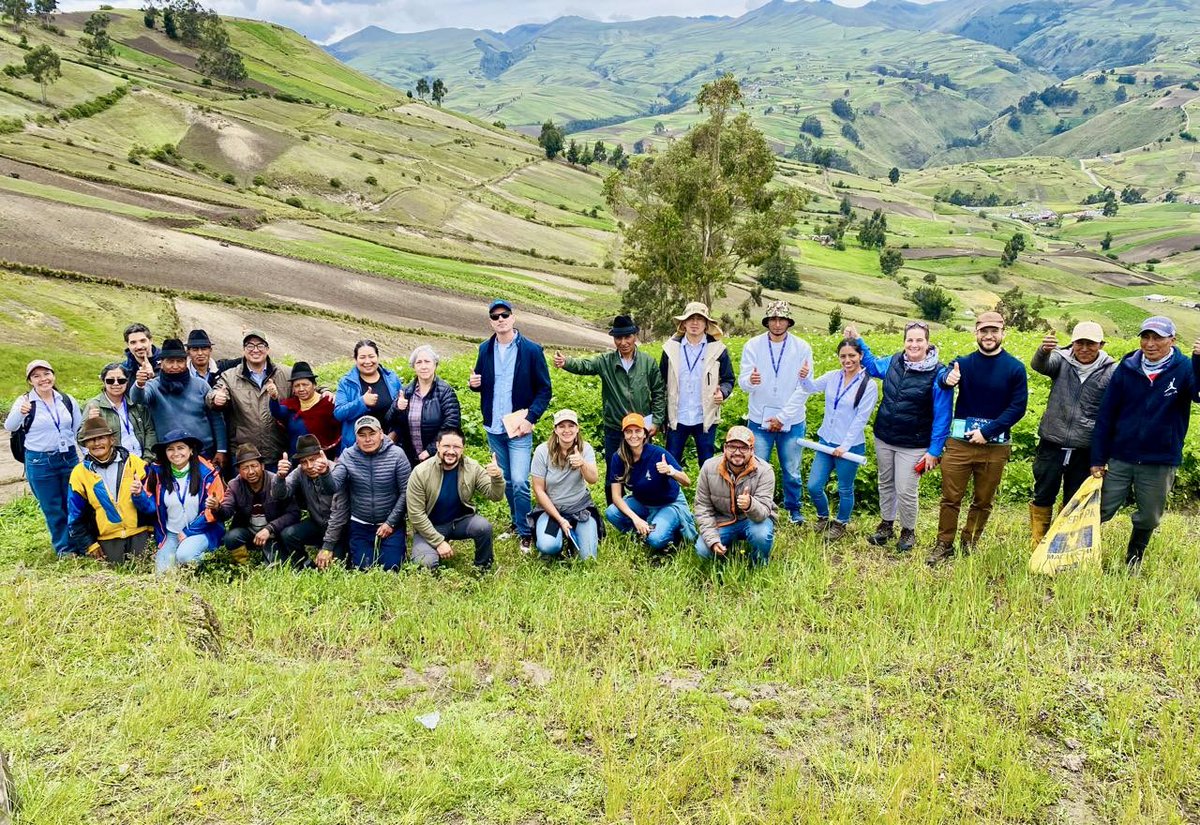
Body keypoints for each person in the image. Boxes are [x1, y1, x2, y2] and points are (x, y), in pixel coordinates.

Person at [1090, 317, 1200, 567]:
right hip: (1120, 455)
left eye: (1158, 338)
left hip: (1159, 459)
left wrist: (1199, 362)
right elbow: (1106, 414)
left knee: (1149, 516)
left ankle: (1134, 558)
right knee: (1100, 509)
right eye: (1146, 337)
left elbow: (1199, 395)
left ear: (1172, 340)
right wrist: (1097, 457)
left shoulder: (1184, 368)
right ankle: (1081, 553)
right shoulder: (1127, 367)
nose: (1150, 344)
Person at [929, 311, 1028, 564]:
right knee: (950, 498)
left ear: (1003, 333)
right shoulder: (964, 363)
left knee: (983, 500)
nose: (989, 336)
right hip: (959, 444)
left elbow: (1018, 407)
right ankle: (944, 543)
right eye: (984, 331)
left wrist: (988, 431)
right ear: (976, 333)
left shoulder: (1014, 368)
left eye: (994, 331)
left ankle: (969, 541)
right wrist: (947, 378)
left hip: (994, 447)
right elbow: (943, 379)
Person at [847, 322, 951, 552]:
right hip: (884, 437)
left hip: (914, 444)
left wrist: (934, 450)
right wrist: (859, 340)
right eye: (910, 340)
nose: (914, 345)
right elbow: (873, 366)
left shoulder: (938, 373)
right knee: (886, 483)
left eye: (919, 340)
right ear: (904, 341)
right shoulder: (895, 361)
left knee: (905, 489)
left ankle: (908, 530)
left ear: (927, 343)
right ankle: (886, 524)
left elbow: (943, 416)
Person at [468, 300, 552, 552]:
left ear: (513, 318)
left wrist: (531, 419)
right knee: (504, 480)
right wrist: (475, 384)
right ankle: (517, 524)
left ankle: (526, 531)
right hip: (494, 427)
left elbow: (545, 390)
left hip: (518, 428)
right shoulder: (485, 349)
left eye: (505, 315)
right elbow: (483, 383)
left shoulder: (531, 350)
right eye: (495, 317)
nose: (500, 319)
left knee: (519, 481)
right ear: (491, 322)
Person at [1029, 321, 1116, 547]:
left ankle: (1060, 544)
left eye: (1091, 344)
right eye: (1080, 343)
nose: (1085, 348)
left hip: (1085, 447)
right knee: (1043, 494)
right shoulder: (1061, 360)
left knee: (1073, 500)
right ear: (1073, 343)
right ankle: (1038, 542)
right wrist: (1043, 351)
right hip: (1052, 441)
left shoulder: (1111, 371)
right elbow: (1040, 365)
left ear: (1101, 344)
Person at [552, 315, 666, 484]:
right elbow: (585, 366)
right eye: (618, 338)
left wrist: (656, 421)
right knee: (614, 472)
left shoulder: (648, 362)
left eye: (627, 337)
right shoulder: (606, 361)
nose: (623, 342)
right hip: (615, 427)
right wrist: (566, 362)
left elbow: (658, 392)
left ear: (635, 336)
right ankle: (614, 507)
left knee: (642, 470)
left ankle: (640, 505)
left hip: (639, 428)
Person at [788, 339, 878, 540]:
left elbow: (861, 419)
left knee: (845, 488)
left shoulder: (868, 385)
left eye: (852, 356)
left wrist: (844, 446)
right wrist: (804, 377)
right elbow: (810, 387)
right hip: (826, 441)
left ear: (860, 356)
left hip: (850, 446)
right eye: (843, 356)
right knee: (813, 485)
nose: (847, 360)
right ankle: (823, 517)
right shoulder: (832, 377)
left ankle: (840, 523)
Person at [737, 301, 813, 524]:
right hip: (759, 419)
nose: (778, 324)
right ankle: (760, 508)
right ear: (767, 321)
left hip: (792, 420)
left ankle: (794, 509)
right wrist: (750, 381)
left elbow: (805, 387)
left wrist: (782, 417)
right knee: (756, 468)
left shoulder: (802, 348)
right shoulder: (753, 345)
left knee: (792, 470)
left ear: (789, 322)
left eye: (782, 320)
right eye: (773, 320)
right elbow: (743, 382)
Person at [5, 360, 82, 556]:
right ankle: (65, 549)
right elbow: (10, 427)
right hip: (40, 461)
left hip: (68, 458)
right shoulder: (24, 402)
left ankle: (81, 543)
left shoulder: (66, 400)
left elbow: (77, 430)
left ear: (53, 376)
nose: (43, 379)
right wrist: (20, 413)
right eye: (36, 376)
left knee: (74, 503)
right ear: (30, 381)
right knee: (52, 507)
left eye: (46, 374)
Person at [318, 415, 411, 571]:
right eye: (362, 435)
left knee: (392, 567)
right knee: (363, 568)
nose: (368, 439)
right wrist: (324, 473)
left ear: (381, 434)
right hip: (360, 524)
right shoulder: (348, 455)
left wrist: (391, 522)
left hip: (390, 525)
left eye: (372, 434)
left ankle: (397, 547)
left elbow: (406, 492)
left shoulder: (397, 455)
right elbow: (331, 487)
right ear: (356, 438)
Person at [407, 427, 506, 571]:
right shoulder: (421, 472)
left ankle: (483, 569)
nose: (451, 451)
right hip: (430, 525)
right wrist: (439, 542)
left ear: (463, 448)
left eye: (456, 447)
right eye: (446, 446)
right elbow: (416, 515)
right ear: (437, 446)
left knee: (483, 527)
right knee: (425, 563)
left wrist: (497, 478)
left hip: (459, 522)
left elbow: (495, 496)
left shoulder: (472, 467)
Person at [67, 417, 156, 563]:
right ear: (85, 445)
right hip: (106, 539)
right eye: (91, 440)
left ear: (112, 440)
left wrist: (153, 531)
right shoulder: (79, 473)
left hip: (140, 533)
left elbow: (154, 503)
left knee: (145, 570)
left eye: (101, 438)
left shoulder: (134, 463)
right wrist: (90, 545)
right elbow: (75, 515)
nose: (96, 443)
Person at [131, 338, 227, 470]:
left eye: (180, 361)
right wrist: (139, 384)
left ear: (186, 362)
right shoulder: (153, 386)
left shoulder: (201, 385)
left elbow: (216, 418)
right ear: (162, 363)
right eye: (170, 362)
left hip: (204, 452)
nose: (175, 366)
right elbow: (138, 399)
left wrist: (221, 449)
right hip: (170, 454)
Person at [605, 413, 696, 552]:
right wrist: (635, 519)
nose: (633, 435)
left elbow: (687, 481)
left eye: (638, 431)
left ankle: (672, 536)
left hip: (668, 503)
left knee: (656, 539)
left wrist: (671, 471)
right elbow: (616, 496)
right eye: (629, 431)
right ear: (623, 435)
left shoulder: (658, 453)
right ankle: (642, 534)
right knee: (612, 512)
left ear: (644, 434)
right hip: (642, 502)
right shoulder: (618, 458)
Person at [659, 302, 734, 468]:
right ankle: (671, 494)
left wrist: (723, 392)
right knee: (670, 462)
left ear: (707, 324)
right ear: (683, 323)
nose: (694, 323)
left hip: (705, 417)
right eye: (690, 319)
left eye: (699, 319)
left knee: (707, 464)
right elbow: (661, 382)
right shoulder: (670, 349)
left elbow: (729, 379)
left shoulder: (718, 349)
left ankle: (706, 495)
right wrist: (661, 416)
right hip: (677, 416)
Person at [146, 429, 226, 574]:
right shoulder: (157, 474)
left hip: (202, 530)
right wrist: (138, 495)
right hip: (171, 532)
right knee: (161, 573)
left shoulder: (208, 473)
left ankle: (210, 560)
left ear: (191, 451)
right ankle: (180, 564)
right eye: (170, 449)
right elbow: (150, 507)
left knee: (185, 556)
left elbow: (211, 511)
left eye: (181, 448)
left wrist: (189, 531)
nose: (176, 453)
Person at [694, 426, 776, 565]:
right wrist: (712, 540)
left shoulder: (765, 471)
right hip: (722, 520)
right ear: (725, 448)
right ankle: (724, 548)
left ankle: (759, 565)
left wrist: (750, 504)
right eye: (732, 447)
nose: (737, 452)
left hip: (751, 520)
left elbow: (763, 513)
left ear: (752, 450)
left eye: (743, 448)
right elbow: (702, 508)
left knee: (761, 535)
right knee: (702, 551)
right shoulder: (709, 467)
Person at [209, 330, 293, 466]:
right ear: (243, 350)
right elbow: (214, 394)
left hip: (278, 453)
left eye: (260, 346)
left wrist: (325, 391)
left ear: (267, 349)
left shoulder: (286, 373)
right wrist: (216, 398)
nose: (255, 350)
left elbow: (309, 386)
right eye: (250, 346)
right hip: (244, 456)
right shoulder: (230, 376)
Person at [529, 409, 603, 560]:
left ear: (577, 428)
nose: (567, 430)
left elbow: (593, 479)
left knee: (588, 557)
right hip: (552, 511)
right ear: (555, 430)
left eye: (571, 425)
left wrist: (582, 464)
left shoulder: (585, 448)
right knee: (548, 546)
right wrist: (560, 519)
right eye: (562, 426)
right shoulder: (542, 451)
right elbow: (538, 490)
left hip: (580, 508)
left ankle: (574, 537)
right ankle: (557, 538)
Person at [213, 444, 302, 566]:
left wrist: (269, 528)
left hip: (274, 533)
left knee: (276, 567)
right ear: (239, 470)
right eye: (245, 468)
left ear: (262, 466)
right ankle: (244, 566)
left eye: (254, 466)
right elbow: (226, 513)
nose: (250, 471)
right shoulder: (235, 485)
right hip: (250, 533)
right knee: (231, 537)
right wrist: (217, 507)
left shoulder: (276, 482)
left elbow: (294, 513)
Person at [273, 435, 349, 569]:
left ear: (322, 456)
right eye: (304, 461)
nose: (309, 466)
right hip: (317, 523)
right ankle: (305, 566)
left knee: (333, 569)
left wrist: (327, 547)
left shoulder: (336, 471)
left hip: (340, 530)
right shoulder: (300, 472)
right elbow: (281, 495)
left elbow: (339, 514)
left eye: (313, 460)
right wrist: (280, 477)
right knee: (288, 534)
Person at [393, 345, 460, 467]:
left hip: (436, 457)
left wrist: (430, 450)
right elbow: (391, 421)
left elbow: (451, 425)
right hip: (410, 458)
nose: (423, 366)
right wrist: (396, 407)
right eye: (419, 362)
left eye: (427, 362)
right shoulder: (406, 391)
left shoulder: (445, 392)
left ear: (435, 365)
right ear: (414, 367)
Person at [334, 339, 403, 450]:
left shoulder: (392, 379)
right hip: (357, 448)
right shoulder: (346, 382)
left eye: (371, 356)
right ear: (355, 359)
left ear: (377, 357)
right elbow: (339, 413)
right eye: (362, 357)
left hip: (389, 446)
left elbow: (402, 412)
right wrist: (362, 402)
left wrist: (395, 434)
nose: (367, 361)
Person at [83, 362, 156, 459]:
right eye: (110, 381)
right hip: (114, 464)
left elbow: (150, 431)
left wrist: (148, 459)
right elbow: (81, 439)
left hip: (141, 461)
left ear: (127, 381)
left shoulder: (135, 402)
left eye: (121, 380)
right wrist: (90, 424)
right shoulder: (94, 405)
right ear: (103, 381)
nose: (116, 383)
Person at [271, 361, 341, 458]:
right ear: (293, 390)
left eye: (305, 384)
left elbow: (338, 432)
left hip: (322, 461)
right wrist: (274, 398)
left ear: (314, 385)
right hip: (297, 461)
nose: (301, 389)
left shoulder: (328, 404)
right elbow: (277, 412)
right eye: (297, 386)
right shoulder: (291, 406)